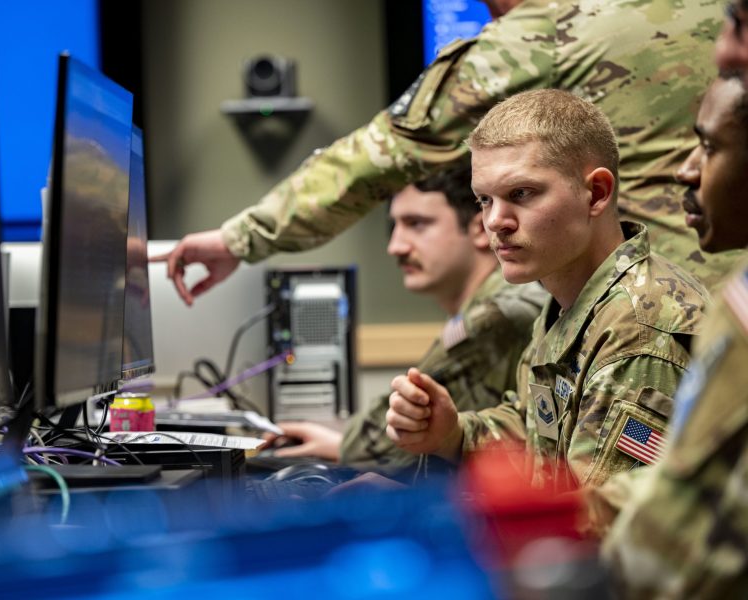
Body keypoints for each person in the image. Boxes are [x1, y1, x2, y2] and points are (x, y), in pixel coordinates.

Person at [154, 0, 738, 303]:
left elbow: (386, 152)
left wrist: (238, 239)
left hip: (651, 328)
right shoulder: (721, 16)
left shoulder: (554, 27)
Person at [385, 89, 708, 492]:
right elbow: (535, 431)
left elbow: (596, 526)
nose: (495, 222)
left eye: (521, 194)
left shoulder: (638, 333)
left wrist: (422, 518)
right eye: (484, 200)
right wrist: (453, 435)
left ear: (597, 193)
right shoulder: (572, 301)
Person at [266, 167, 547, 472]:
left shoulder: (497, 317)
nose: (395, 246)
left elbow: (383, 446)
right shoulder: (492, 303)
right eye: (394, 227)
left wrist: (341, 445)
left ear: (480, 229)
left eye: (417, 224)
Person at [600, 74, 748, 598]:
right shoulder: (736, 292)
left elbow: (693, 525)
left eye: (709, 147)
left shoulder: (649, 314)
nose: (685, 170)